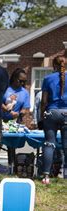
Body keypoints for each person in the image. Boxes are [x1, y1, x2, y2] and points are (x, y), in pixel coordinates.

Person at [40, 55, 67, 184]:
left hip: (51, 113)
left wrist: (41, 115)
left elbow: (44, 101)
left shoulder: (47, 79)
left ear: (54, 66)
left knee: (49, 143)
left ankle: (46, 176)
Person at [1, 68, 31, 167]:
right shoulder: (5, 88)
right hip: (0, 120)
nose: (22, 83)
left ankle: (11, 166)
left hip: (14, 122)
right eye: (20, 80)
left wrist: (20, 113)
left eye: (24, 81)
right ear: (14, 78)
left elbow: (26, 108)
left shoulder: (25, 92)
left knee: (11, 146)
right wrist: (6, 109)